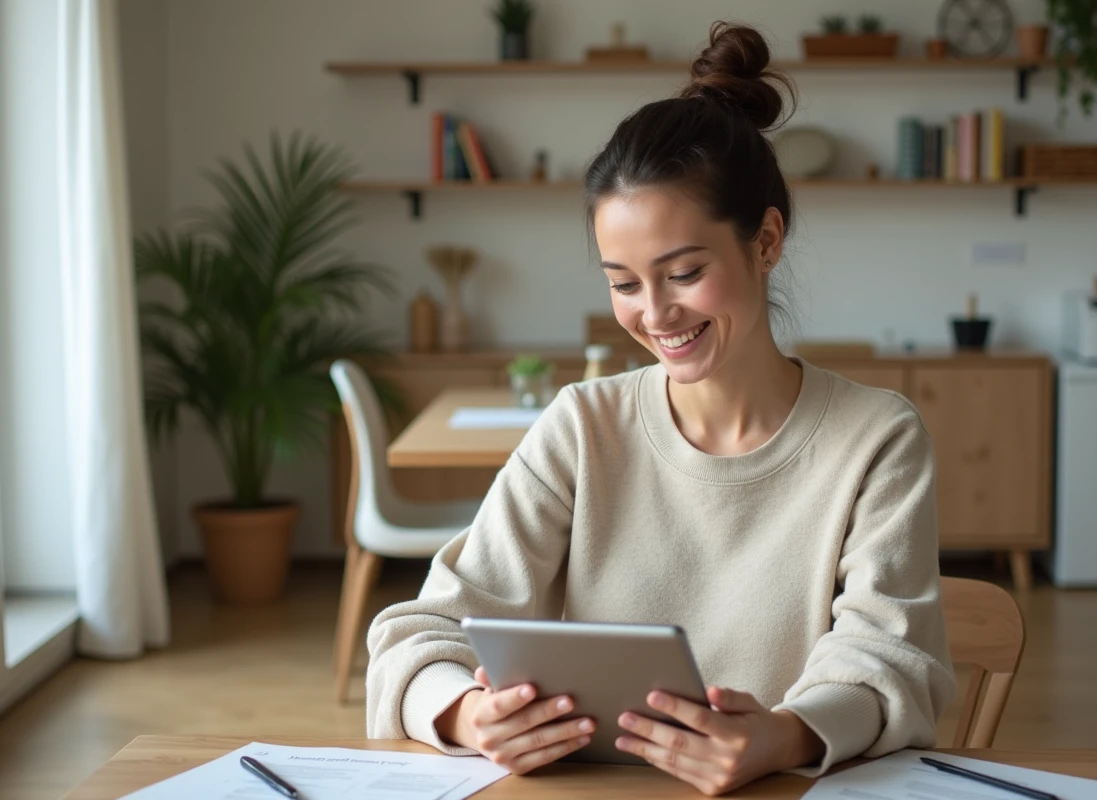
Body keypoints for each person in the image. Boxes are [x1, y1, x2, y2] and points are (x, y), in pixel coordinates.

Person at [366, 21, 955, 796]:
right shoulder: (582, 427)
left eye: (683, 272)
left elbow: (892, 663)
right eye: (623, 282)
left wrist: (781, 738)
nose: (655, 314)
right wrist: (469, 714)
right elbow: (419, 631)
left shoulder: (876, 438)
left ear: (766, 240)